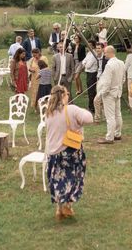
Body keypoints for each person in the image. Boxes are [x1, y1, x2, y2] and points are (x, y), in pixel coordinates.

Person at [45, 85, 94, 220]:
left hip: (53, 154)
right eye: (67, 93)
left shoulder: (49, 113)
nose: (68, 95)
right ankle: (68, 205)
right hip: (69, 151)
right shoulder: (71, 110)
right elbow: (89, 118)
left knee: (58, 181)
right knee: (72, 179)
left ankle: (60, 208)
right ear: (62, 96)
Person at [96, 46, 125, 144]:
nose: (104, 54)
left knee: (110, 116)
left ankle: (109, 137)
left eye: (105, 53)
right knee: (118, 114)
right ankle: (117, 134)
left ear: (110, 53)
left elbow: (107, 82)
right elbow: (123, 79)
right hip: (117, 92)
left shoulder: (109, 65)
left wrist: (102, 93)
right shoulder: (121, 63)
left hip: (109, 93)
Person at [82, 41, 104, 115]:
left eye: (90, 45)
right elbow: (83, 61)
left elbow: (88, 65)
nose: (89, 46)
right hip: (89, 73)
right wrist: (84, 64)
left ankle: (92, 108)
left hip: (92, 73)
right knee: (90, 91)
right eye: (88, 45)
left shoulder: (94, 54)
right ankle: (91, 106)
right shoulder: (89, 53)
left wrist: (85, 65)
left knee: (92, 91)